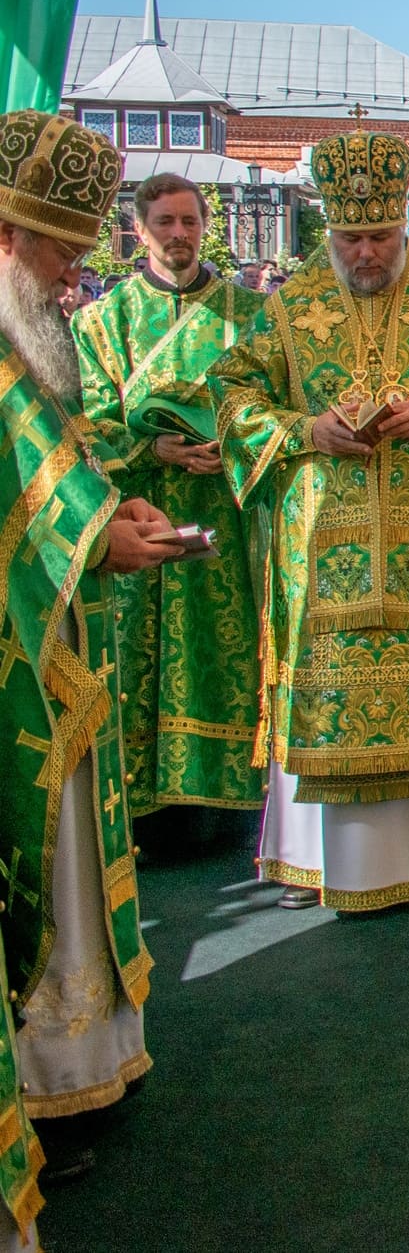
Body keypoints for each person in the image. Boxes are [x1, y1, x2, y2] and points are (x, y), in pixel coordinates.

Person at [211, 132, 409, 912]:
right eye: (350, 236)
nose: (364, 252)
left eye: (380, 236)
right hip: (321, 559)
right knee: (326, 697)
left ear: (401, 228)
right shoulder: (289, 311)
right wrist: (304, 431)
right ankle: (315, 864)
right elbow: (231, 400)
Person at [0, 112, 190, 1168]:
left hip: (56, 648)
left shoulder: (24, 337)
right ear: (8, 233)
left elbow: (51, 471)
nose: (75, 276)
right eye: (64, 252)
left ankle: (81, 1065)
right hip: (18, 666)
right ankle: (43, 1080)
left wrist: (109, 519)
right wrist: (94, 537)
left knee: (77, 851)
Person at [72, 174, 267, 821]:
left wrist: (233, 442)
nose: (178, 234)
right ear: (139, 228)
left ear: (204, 225)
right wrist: (155, 449)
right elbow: (91, 421)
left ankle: (224, 805)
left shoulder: (249, 313)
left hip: (227, 516)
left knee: (223, 653)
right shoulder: (104, 321)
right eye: (164, 223)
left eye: (188, 221)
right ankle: (145, 811)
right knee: (137, 660)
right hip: (138, 518)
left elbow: (273, 403)